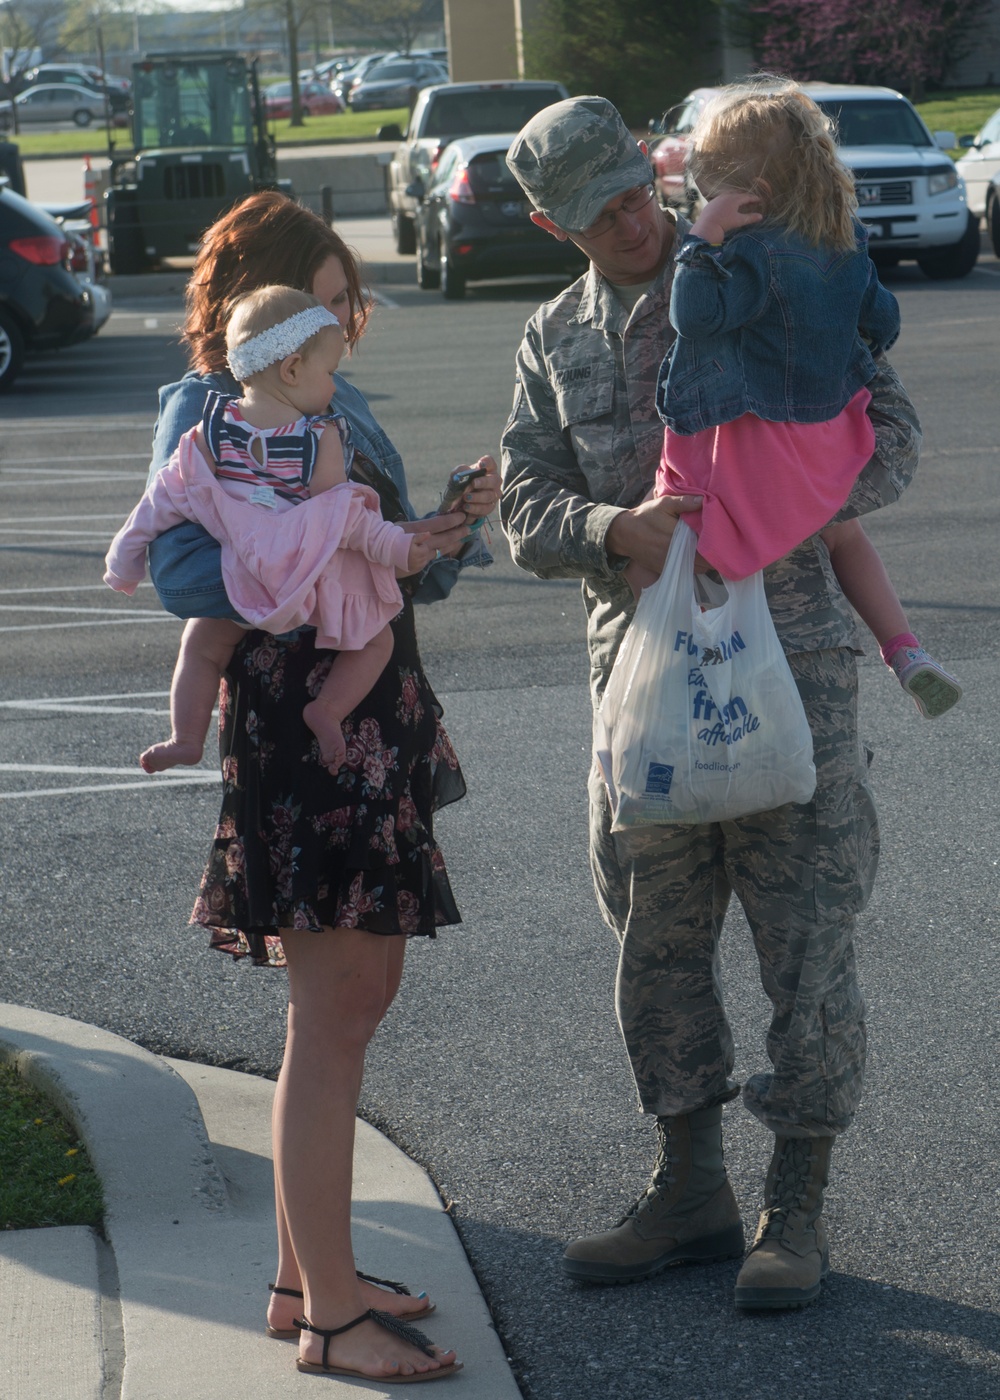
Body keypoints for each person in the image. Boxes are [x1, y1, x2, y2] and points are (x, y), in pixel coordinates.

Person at [501, 94, 923, 1311]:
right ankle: (688, 1189)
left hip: (793, 677)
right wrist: (608, 528)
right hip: (645, 702)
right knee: (657, 949)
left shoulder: (778, 275)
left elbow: (887, 431)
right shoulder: (552, 338)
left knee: (808, 944)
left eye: (642, 189)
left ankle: (796, 1203)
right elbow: (525, 504)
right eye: (602, 210)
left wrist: (793, 500)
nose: (636, 218)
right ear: (550, 221)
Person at [145, 190, 500, 1381]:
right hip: (310, 731)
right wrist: (313, 553)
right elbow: (190, 571)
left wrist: (439, 524)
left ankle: (313, 1274)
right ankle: (331, 1320)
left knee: (355, 1000)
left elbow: (395, 562)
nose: (355, 322)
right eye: (338, 299)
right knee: (334, 1008)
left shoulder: (324, 403)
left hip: (369, 710)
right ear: (278, 308)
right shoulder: (210, 415)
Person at [647, 81, 959, 719]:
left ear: (740, 187)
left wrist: (701, 239)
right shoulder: (843, 242)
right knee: (844, 537)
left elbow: (696, 317)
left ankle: (699, 662)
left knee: (681, 531)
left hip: (752, 446)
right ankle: (904, 649)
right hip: (830, 437)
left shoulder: (749, 254)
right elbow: (884, 322)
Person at [105, 284, 437, 775]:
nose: (332, 387)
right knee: (375, 641)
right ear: (293, 369)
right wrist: (398, 548)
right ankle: (326, 710)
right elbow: (342, 517)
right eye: (329, 373)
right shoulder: (318, 437)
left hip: (241, 577)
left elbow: (162, 499)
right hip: (303, 582)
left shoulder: (210, 431)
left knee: (200, 646)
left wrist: (124, 560)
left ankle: (185, 737)